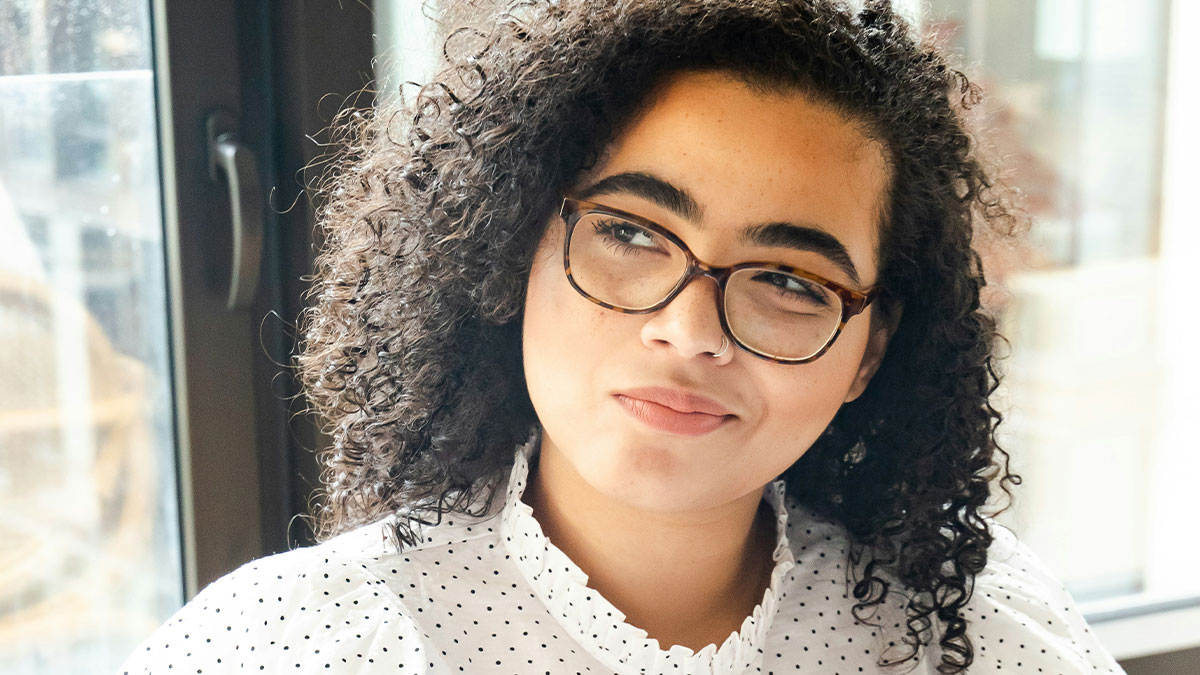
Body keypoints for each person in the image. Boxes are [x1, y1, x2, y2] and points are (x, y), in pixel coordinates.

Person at [120, 1, 1126, 673]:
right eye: (632, 234)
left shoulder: (982, 636)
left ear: (868, 349)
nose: (688, 333)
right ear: (510, 247)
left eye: (787, 280)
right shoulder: (280, 648)